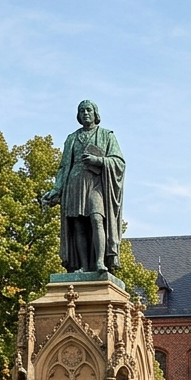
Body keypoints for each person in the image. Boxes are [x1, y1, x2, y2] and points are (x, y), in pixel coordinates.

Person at [39, 99, 126, 273]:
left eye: (88, 110)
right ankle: (84, 266)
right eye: (82, 111)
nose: (85, 113)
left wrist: (99, 160)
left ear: (95, 114)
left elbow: (119, 162)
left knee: (96, 218)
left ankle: (100, 262)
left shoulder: (107, 135)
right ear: (78, 115)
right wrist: (57, 189)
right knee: (78, 225)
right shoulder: (72, 138)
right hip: (75, 183)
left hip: (96, 184)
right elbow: (64, 166)